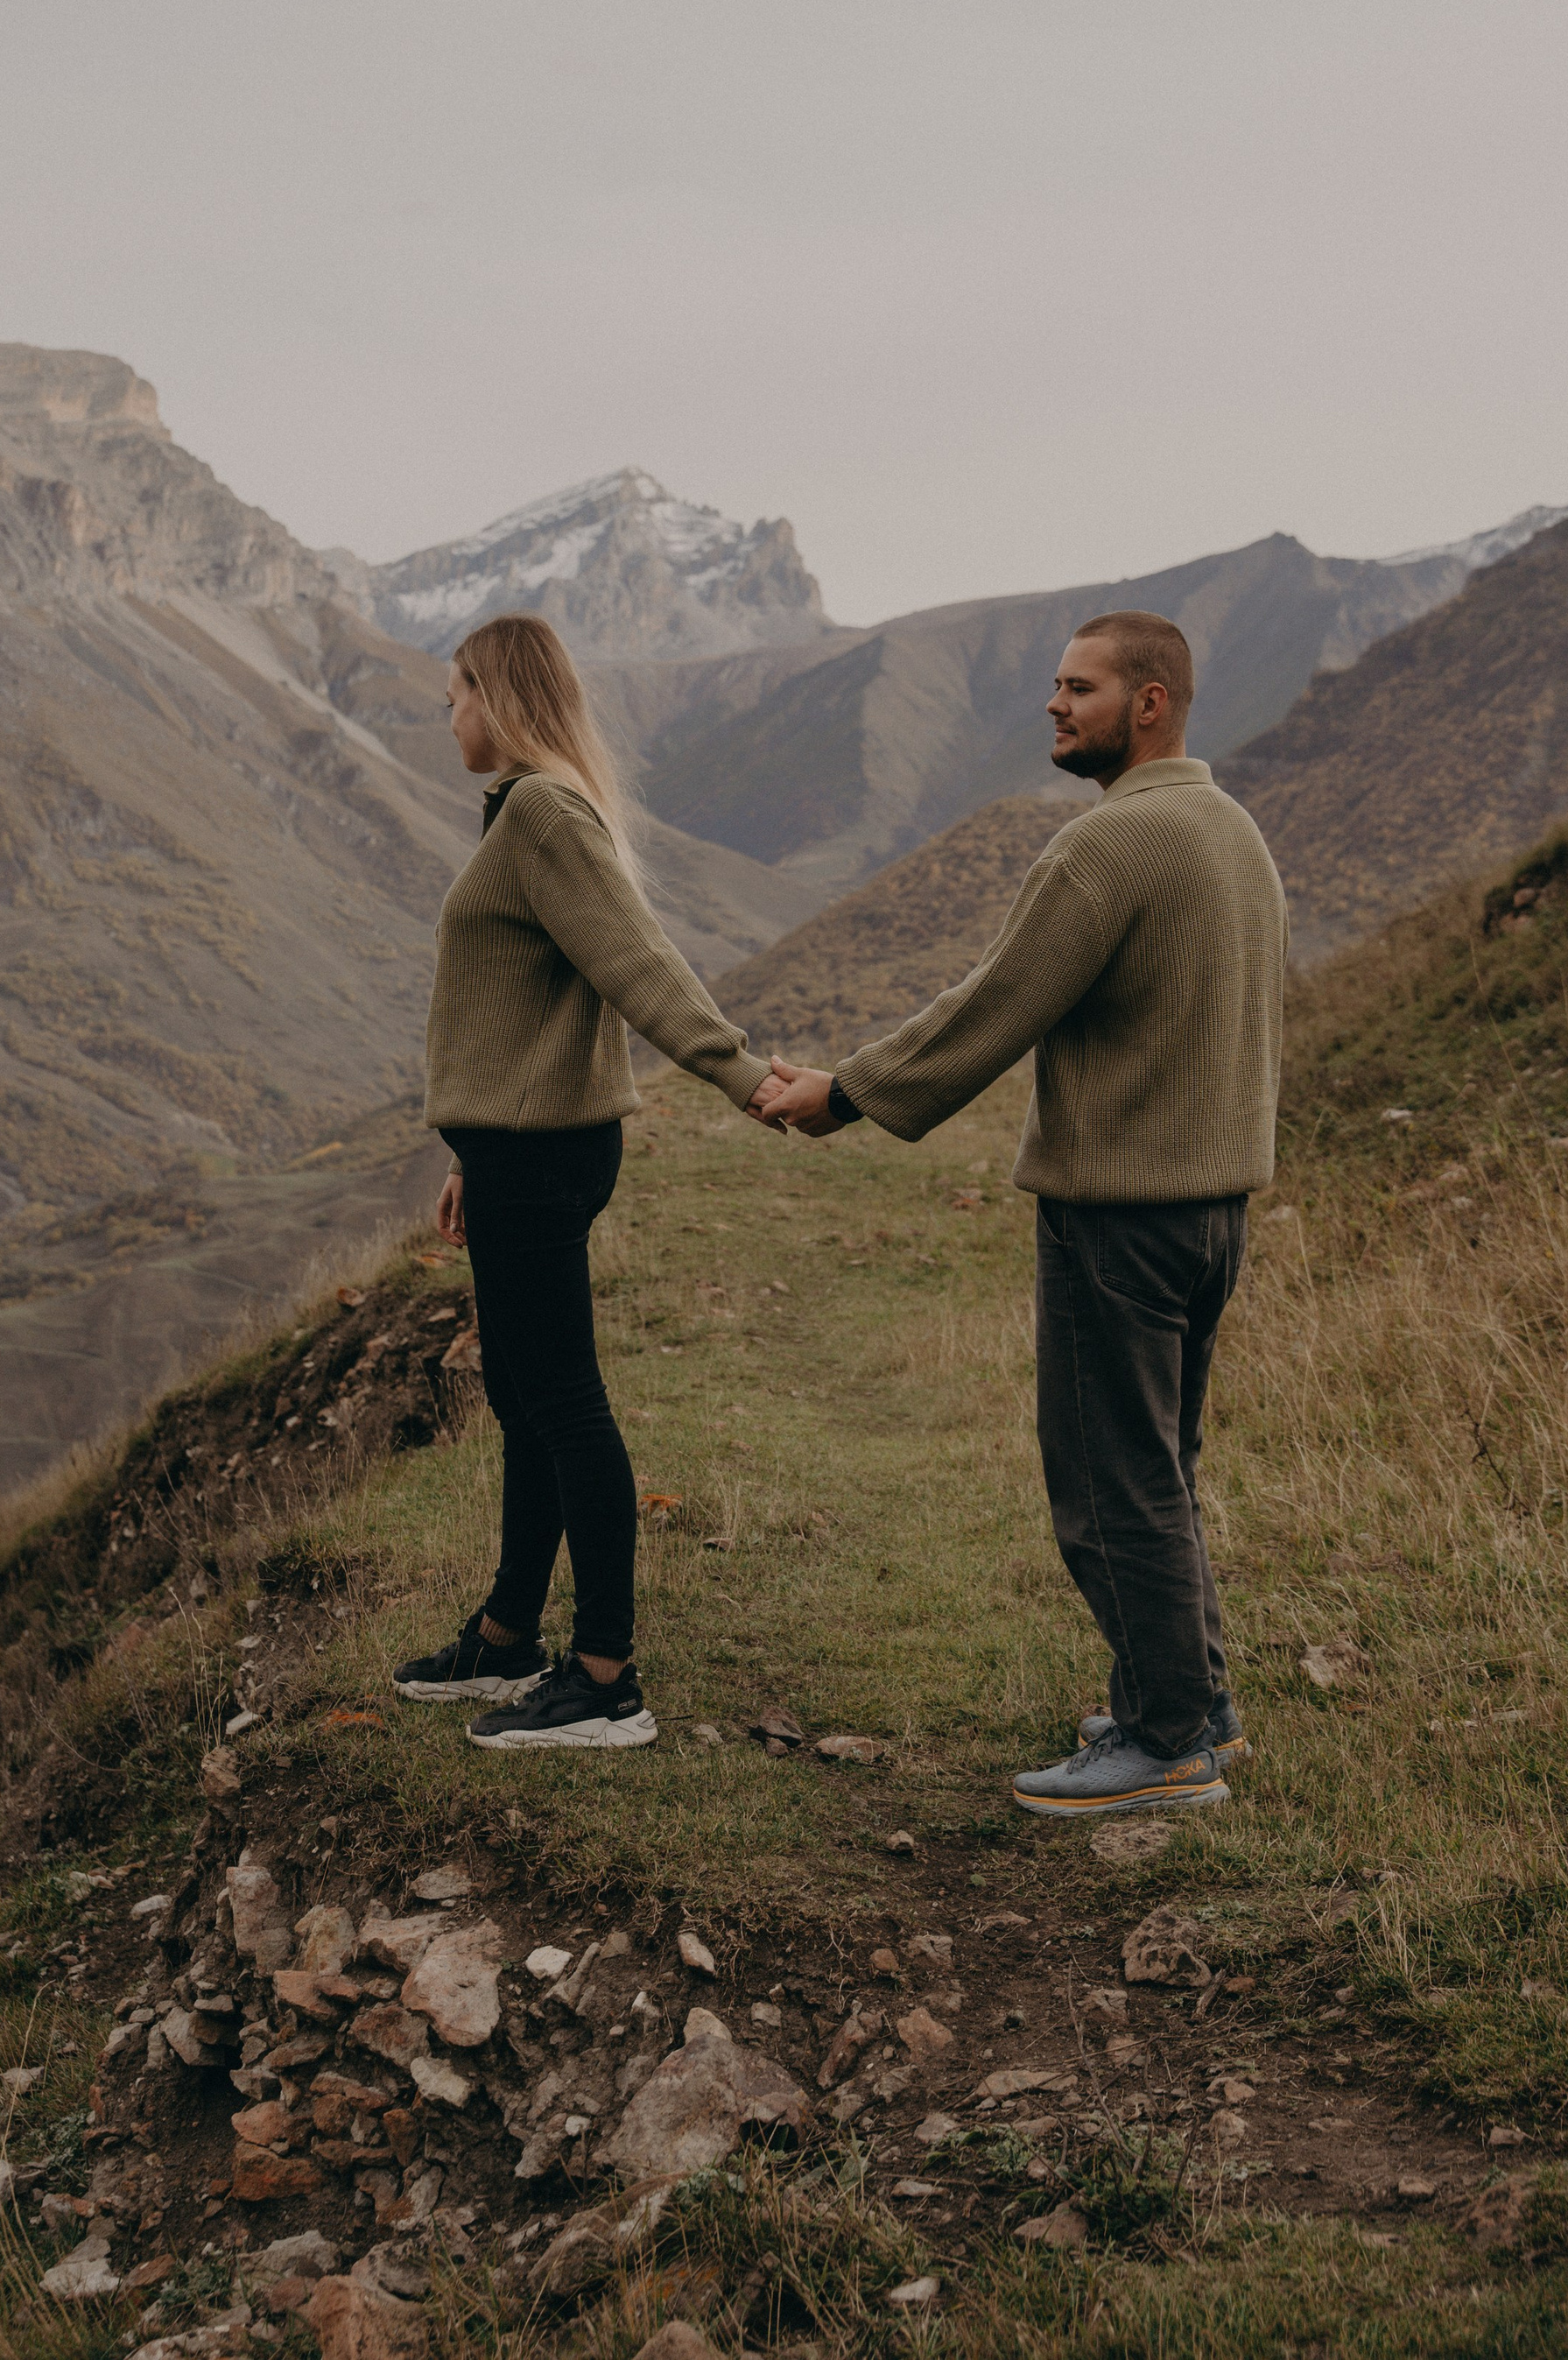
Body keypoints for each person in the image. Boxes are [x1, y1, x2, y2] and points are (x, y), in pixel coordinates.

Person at [758, 613, 1287, 1820]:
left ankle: (1163, 1745)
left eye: (1080, 688)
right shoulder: (1230, 829)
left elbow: (994, 1004)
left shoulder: (1112, 846)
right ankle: (1193, 1705)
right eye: (1054, 684)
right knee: (1162, 1466)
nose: (1055, 706)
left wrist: (841, 1093)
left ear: (1149, 704)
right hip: (1212, 1211)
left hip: (1121, 1215)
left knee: (1106, 1480)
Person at [394, 610, 784, 1751]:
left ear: (501, 697)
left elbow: (636, 963)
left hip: (544, 1153)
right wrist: (472, 1153)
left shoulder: (544, 814)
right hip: (515, 1149)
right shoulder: (527, 813)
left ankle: (607, 1675)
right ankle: (509, 1632)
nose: (449, 714)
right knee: (524, 1396)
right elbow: (517, 1004)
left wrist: (742, 1074)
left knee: (563, 1402)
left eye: (457, 691)